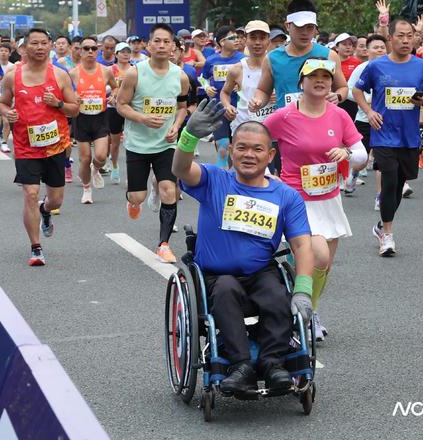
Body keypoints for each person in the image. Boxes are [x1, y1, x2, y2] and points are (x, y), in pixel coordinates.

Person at [172, 98, 314, 395]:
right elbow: (181, 169)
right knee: (226, 290)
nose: (249, 154)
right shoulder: (214, 179)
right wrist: (189, 136)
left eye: (257, 149)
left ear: (270, 154)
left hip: (261, 272)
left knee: (277, 294)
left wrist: (303, 289)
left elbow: (301, 244)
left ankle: (273, 363)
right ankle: (240, 365)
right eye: (242, 148)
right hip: (217, 277)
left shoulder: (286, 196)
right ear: (231, 150)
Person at [265, 57, 366, 341]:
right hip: (297, 199)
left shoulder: (339, 115)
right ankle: (301, 313)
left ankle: (309, 311)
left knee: (323, 265)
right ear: (302, 82)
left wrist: (347, 153)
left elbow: (361, 154)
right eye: (313, 76)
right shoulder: (285, 116)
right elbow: (253, 141)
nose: (320, 81)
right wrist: (267, 176)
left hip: (329, 199)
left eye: (326, 77)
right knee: (317, 255)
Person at [0, 28, 79, 266]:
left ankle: (45, 210)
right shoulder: (12, 76)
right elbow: (2, 103)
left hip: (55, 146)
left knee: (56, 201)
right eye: (34, 43)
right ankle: (36, 248)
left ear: (50, 45)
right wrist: (8, 113)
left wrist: (58, 103)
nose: (40, 47)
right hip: (26, 145)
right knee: (30, 193)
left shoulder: (60, 75)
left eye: (44, 43)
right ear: (24, 47)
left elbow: (75, 109)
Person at [353, 18, 423, 256]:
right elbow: (357, 89)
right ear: (390, 38)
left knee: (398, 186)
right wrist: (369, 112)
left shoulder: (420, 66)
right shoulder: (377, 66)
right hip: (383, 134)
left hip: (409, 136)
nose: (406, 40)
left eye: (410, 36)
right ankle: (387, 234)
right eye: (400, 35)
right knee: (388, 181)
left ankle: (381, 225)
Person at [117, 23, 189, 263]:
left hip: (165, 144)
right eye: (156, 41)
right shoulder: (135, 73)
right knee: (137, 196)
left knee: (169, 189)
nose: (161, 45)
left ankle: (163, 245)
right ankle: (133, 200)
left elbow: (182, 108)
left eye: (166, 41)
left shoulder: (180, 76)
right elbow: (121, 105)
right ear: (148, 45)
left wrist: (176, 126)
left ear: (173, 47)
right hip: (138, 143)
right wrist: (142, 118)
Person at [68, 36, 118, 204]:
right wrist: (73, 97)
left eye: (93, 48)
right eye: (86, 48)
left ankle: (95, 169)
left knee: (101, 156)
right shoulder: (73, 73)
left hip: (100, 117)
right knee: (84, 158)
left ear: (98, 51)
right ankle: (87, 188)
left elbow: (116, 87)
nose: (90, 51)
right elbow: (65, 92)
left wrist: (113, 96)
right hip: (81, 118)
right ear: (80, 52)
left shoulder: (105, 71)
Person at [345, 34, 388, 204]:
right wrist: (366, 101)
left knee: (383, 160)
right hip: (364, 120)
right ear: (367, 50)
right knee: (362, 159)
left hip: (385, 121)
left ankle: (380, 197)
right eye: (376, 47)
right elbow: (349, 90)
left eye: (382, 47)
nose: (380, 50)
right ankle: (354, 174)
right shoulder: (361, 68)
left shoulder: (391, 68)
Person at [201, 25, 246, 168]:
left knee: (238, 150)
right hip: (219, 109)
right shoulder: (211, 60)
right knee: (223, 148)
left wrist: (242, 85)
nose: (237, 40)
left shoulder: (243, 60)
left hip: (240, 110)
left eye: (237, 37)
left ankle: (235, 175)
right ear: (222, 42)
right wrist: (207, 87)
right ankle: (223, 177)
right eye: (232, 38)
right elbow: (202, 78)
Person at [220, 21, 272, 132]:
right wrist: (227, 106)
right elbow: (225, 92)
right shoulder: (236, 69)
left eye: (262, 38)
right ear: (245, 40)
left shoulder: (277, 66)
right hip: (243, 127)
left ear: (268, 40)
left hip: (271, 128)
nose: (257, 42)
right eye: (253, 38)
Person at [107, 42, 132, 184]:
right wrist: (111, 96)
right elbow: (104, 87)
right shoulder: (110, 70)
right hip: (113, 109)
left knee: (130, 141)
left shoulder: (134, 70)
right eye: (122, 52)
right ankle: (115, 166)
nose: (126, 54)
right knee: (115, 142)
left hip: (129, 108)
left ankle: (131, 173)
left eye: (128, 52)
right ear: (116, 54)